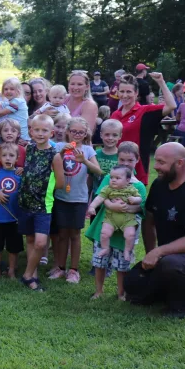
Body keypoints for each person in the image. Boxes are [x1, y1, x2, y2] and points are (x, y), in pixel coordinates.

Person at [125, 143, 185, 318]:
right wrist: (151, 254)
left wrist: (159, 252)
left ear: (180, 163)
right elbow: (149, 221)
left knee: (171, 265)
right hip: (168, 257)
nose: (155, 166)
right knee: (133, 285)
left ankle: (183, 306)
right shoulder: (159, 185)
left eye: (161, 162)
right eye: (156, 160)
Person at [86, 142, 146, 301]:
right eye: (122, 160)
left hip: (125, 229)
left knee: (122, 264)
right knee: (100, 262)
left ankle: (121, 293)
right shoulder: (110, 177)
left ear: (137, 160)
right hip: (105, 225)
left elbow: (142, 207)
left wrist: (128, 208)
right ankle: (99, 291)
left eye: (130, 160)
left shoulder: (139, 185)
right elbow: (101, 196)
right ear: (117, 159)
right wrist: (112, 205)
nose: (125, 164)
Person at [48, 117, 101, 285]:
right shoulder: (58, 147)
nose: (77, 135)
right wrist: (62, 153)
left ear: (86, 134)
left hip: (79, 198)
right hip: (61, 196)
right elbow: (49, 166)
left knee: (75, 235)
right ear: (68, 132)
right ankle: (61, 267)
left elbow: (98, 171)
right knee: (62, 233)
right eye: (74, 131)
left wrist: (84, 160)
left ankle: (74, 270)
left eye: (81, 132)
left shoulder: (87, 150)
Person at [19, 114, 65, 291]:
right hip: (25, 202)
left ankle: (27, 274)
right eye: (36, 130)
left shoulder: (54, 155)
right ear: (31, 131)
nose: (40, 133)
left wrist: (43, 188)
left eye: (44, 130)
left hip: (43, 205)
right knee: (30, 239)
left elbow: (60, 183)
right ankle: (33, 276)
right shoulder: (29, 149)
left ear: (51, 133)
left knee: (40, 243)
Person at [111, 71, 176, 184]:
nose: (125, 95)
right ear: (117, 92)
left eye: (129, 92)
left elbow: (171, 105)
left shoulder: (145, 111)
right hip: (116, 168)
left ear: (136, 93)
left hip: (138, 169)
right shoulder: (115, 115)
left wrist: (161, 82)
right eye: (122, 91)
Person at [0, 142, 24, 281]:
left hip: (14, 219)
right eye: (4, 156)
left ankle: (11, 271)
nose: (8, 158)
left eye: (11, 155)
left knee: (13, 248)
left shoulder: (20, 175)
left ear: (17, 158)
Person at [90, 165, 141, 263]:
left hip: (128, 219)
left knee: (130, 235)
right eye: (111, 177)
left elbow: (140, 199)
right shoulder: (108, 189)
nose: (113, 180)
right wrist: (92, 206)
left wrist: (135, 200)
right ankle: (105, 248)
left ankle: (127, 250)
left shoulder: (131, 189)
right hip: (110, 219)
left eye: (117, 178)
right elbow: (99, 198)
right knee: (104, 233)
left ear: (127, 180)